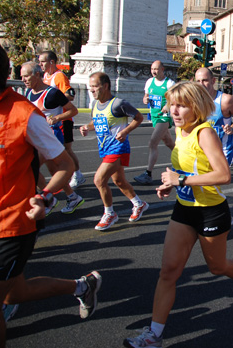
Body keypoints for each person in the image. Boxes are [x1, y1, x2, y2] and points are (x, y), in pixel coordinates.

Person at [123, 82, 233, 348]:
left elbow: (224, 175)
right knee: (168, 272)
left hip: (211, 212)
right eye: (172, 104)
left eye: (181, 105)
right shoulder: (180, 129)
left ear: (196, 107)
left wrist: (182, 180)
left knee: (217, 267)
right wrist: (170, 183)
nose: (174, 110)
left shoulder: (204, 132)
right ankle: (154, 335)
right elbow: (185, 170)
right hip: (184, 210)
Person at [0, 41, 101, 346]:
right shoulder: (29, 97)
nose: (27, 79)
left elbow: (64, 164)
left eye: (31, 74)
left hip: (11, 223)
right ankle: (82, 286)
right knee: (16, 293)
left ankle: (77, 198)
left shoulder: (25, 112)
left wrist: (44, 197)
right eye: (25, 76)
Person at [80, 72, 149, 230]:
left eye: (94, 86)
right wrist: (87, 127)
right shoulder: (96, 105)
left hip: (118, 148)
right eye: (90, 86)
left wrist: (125, 131)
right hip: (105, 148)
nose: (91, 90)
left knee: (99, 180)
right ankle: (139, 204)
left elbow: (138, 117)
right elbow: (96, 122)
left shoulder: (118, 104)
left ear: (105, 86)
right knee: (119, 181)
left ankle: (109, 213)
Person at [21, 62, 85, 215]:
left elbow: (73, 110)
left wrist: (57, 117)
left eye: (26, 76)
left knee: (31, 168)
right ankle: (72, 197)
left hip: (51, 136)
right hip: (36, 137)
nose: (23, 79)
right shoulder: (28, 93)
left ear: (37, 74)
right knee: (54, 170)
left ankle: (48, 199)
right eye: (22, 76)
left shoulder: (52, 93)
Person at [39, 51, 86, 188]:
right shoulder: (44, 77)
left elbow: (70, 95)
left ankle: (77, 174)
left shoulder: (58, 77)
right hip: (49, 121)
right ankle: (63, 177)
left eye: (43, 61)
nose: (40, 64)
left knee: (66, 150)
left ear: (51, 62)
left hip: (63, 119)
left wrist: (56, 100)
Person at [134, 61, 176, 185]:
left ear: (162, 69)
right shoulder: (149, 82)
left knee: (152, 143)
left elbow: (175, 98)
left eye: (156, 69)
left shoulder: (169, 83)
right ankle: (186, 159)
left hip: (164, 117)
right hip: (153, 116)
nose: (154, 71)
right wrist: (145, 99)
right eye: (152, 69)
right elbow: (145, 97)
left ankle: (148, 173)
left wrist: (168, 107)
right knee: (169, 143)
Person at [195, 67, 233, 166]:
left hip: (221, 151)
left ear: (213, 81)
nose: (201, 84)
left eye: (205, 80)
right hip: (200, 150)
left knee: (216, 180)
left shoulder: (225, 100)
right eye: (198, 81)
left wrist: (232, 127)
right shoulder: (193, 101)